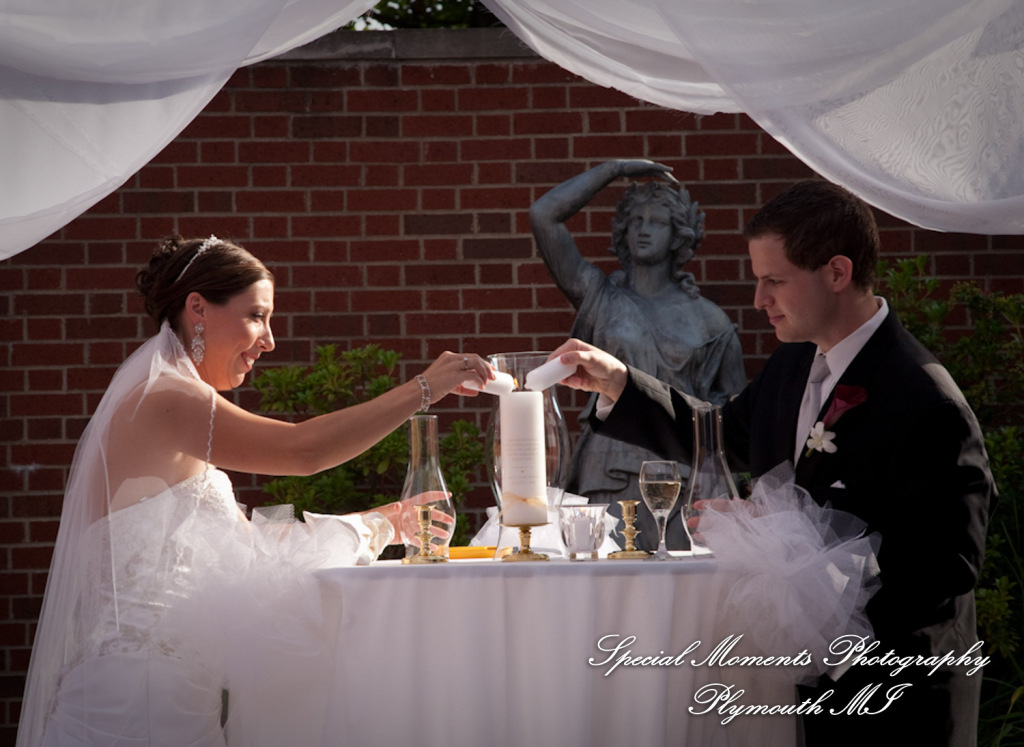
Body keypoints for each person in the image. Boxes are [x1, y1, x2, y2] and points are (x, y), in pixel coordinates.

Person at [548, 180, 995, 746]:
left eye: (775, 281)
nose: (759, 299)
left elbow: (946, 567)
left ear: (837, 272)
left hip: (898, 704)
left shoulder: (926, 401)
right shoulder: (793, 364)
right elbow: (718, 433)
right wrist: (618, 383)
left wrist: (785, 539)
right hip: (802, 699)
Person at [17, 235, 495, 747]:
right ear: (197, 309)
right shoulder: (165, 397)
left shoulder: (171, 409)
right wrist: (423, 388)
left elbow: (255, 553)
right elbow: (302, 451)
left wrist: (385, 522)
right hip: (137, 707)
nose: (269, 341)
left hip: (177, 702)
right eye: (256, 317)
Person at [530, 159, 746, 549]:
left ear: (678, 234)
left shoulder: (711, 321)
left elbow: (734, 419)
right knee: (604, 577)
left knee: (683, 581)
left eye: (657, 222)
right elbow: (543, 215)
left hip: (683, 472)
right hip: (607, 465)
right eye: (636, 221)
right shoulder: (600, 297)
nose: (644, 230)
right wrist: (612, 170)